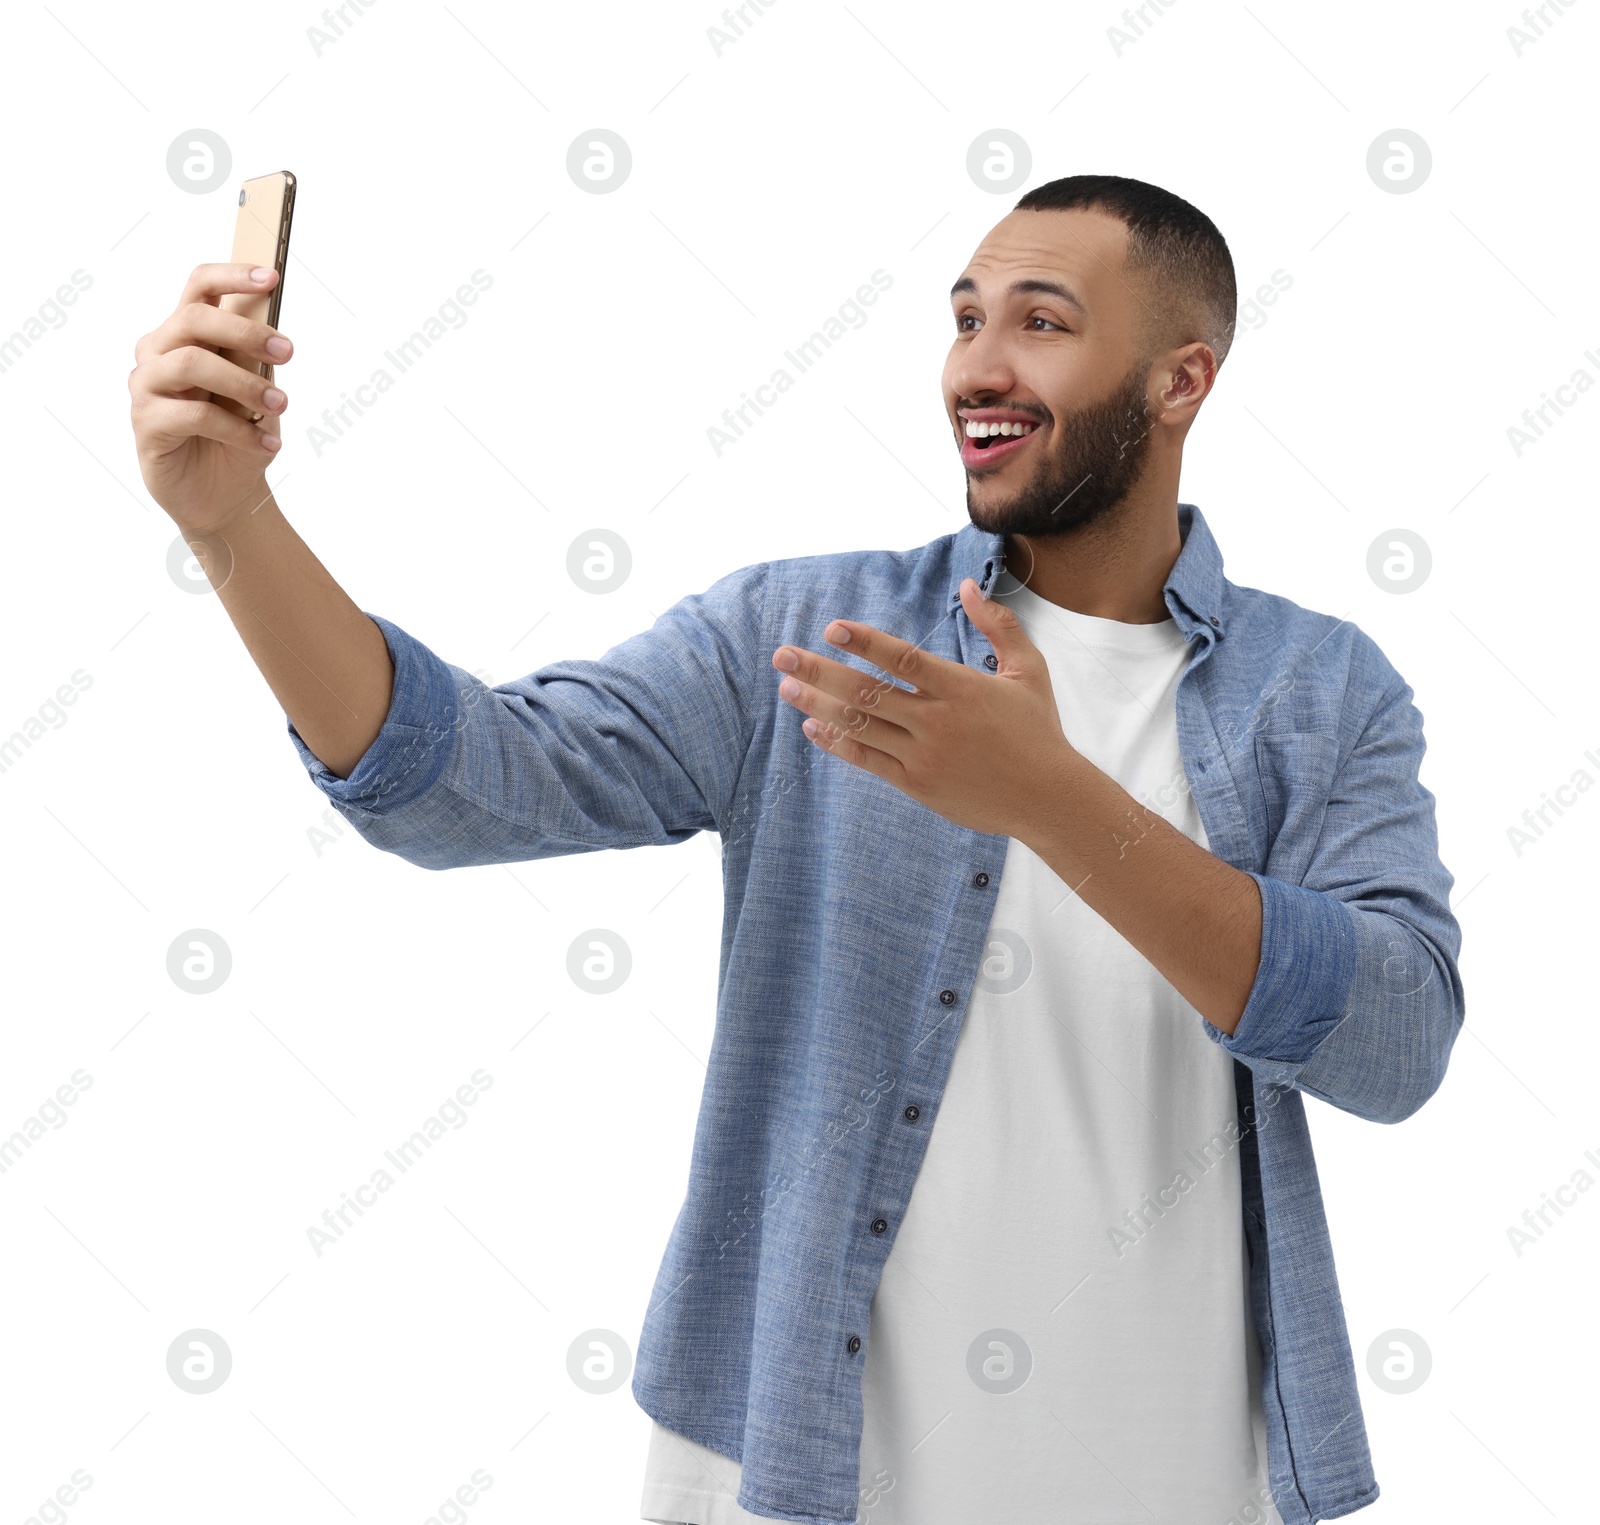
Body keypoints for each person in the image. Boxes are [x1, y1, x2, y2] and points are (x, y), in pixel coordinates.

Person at [128, 172, 1465, 1525]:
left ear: (1181, 382)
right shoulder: (809, 634)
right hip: (794, 1472)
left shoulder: (1322, 690)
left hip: (1172, 1479)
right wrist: (233, 526)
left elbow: (1396, 1045)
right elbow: (463, 781)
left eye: (1042, 323)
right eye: (963, 318)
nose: (977, 369)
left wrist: (1053, 798)